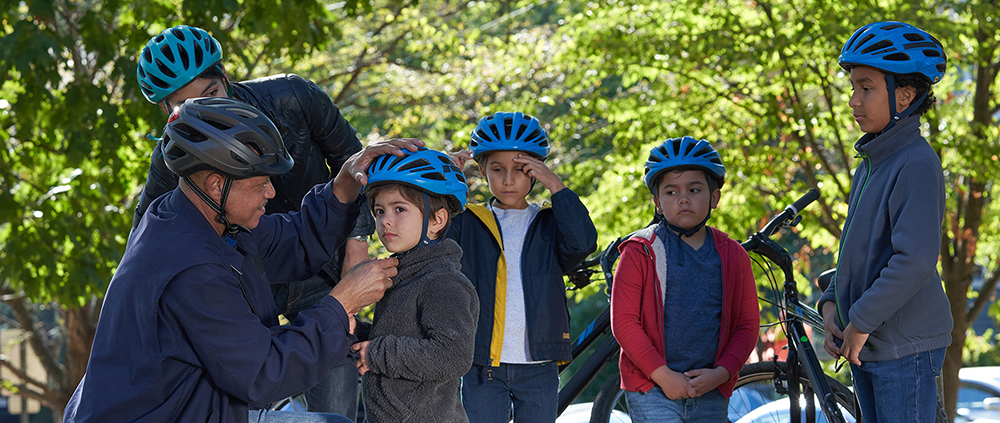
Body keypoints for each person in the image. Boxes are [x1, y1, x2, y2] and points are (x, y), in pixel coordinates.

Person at [63, 97, 419, 423]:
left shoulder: (195, 219)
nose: (271, 192)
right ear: (218, 185)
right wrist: (343, 302)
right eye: (260, 183)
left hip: (193, 405)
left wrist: (344, 184)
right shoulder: (190, 267)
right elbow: (264, 373)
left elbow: (291, 242)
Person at [135, 24, 371, 418]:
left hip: (321, 269)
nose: (206, 112)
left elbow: (354, 162)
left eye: (211, 94)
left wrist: (357, 246)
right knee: (252, 398)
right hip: (245, 288)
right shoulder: (171, 156)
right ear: (166, 111)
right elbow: (144, 240)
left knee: (337, 408)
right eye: (186, 107)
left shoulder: (295, 96)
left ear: (225, 75)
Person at [818, 21, 952, 423]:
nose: (853, 100)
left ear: (905, 95)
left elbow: (913, 260)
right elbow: (855, 253)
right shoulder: (874, 162)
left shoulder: (915, 162)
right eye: (853, 88)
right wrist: (831, 307)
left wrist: (858, 322)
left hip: (904, 347)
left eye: (866, 88)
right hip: (871, 341)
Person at [447, 112, 597, 423]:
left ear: (535, 172)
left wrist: (556, 185)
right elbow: (433, 238)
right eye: (497, 169)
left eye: (520, 169)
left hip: (539, 363)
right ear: (482, 170)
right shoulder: (468, 221)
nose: (507, 179)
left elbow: (583, 242)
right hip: (482, 363)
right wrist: (447, 178)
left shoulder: (548, 223)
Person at [610, 136, 759, 423]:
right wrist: (663, 376)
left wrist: (722, 373)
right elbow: (625, 323)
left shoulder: (733, 255)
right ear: (657, 201)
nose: (683, 199)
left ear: (714, 197)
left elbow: (747, 325)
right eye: (671, 192)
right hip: (652, 387)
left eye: (694, 189)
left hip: (711, 389)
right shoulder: (640, 251)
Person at [351, 147, 479, 422]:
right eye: (379, 210)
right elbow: (403, 336)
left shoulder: (443, 282)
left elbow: (452, 356)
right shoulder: (404, 274)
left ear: (437, 220)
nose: (385, 219)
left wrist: (376, 352)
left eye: (399, 209)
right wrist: (360, 334)